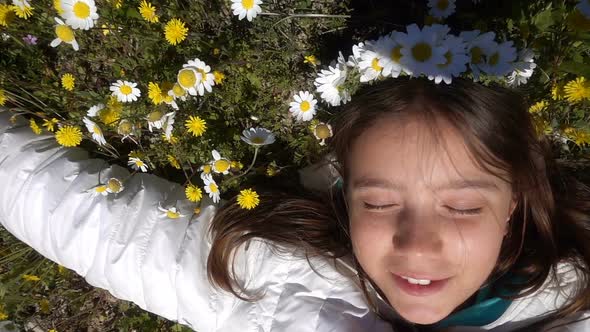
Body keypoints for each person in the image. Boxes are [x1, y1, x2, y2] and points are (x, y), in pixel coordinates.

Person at [0, 77, 589, 331]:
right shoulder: (275, 276)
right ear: (343, 195)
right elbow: (91, 221)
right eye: (379, 203)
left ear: (515, 201)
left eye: (462, 208)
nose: (417, 243)